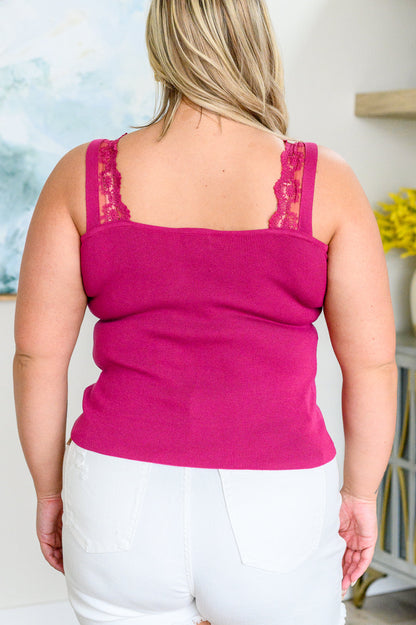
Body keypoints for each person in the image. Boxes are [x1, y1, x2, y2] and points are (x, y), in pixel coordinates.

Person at [13, 1, 397, 624]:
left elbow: (36, 356)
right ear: (255, 41)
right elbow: (373, 366)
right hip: (278, 495)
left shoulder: (79, 174)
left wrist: (50, 491)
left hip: (117, 490)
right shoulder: (326, 180)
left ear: (160, 44)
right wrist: (360, 492)